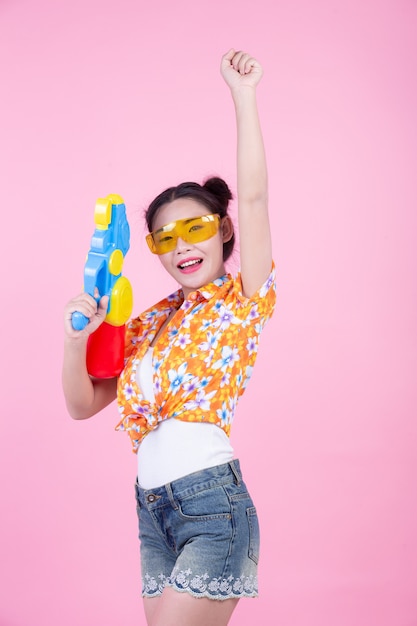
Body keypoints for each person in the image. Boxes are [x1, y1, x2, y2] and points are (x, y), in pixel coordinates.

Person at [63, 48, 276, 626]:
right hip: (153, 510)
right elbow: (83, 404)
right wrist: (73, 336)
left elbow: (253, 198)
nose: (182, 246)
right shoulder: (149, 322)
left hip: (212, 505)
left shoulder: (242, 302)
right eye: (164, 238)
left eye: (195, 229)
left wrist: (244, 95)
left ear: (223, 229)